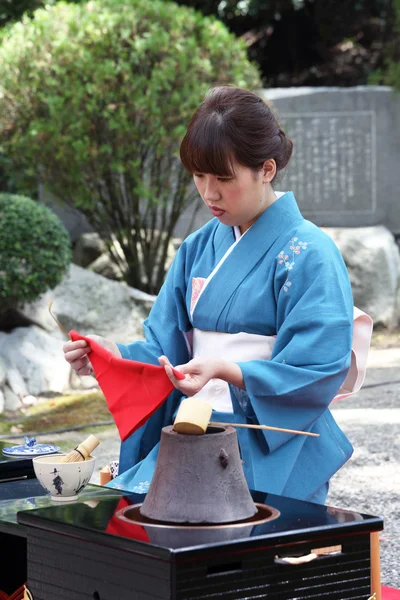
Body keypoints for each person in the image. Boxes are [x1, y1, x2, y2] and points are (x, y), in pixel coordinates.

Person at [64, 86, 358, 505]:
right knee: (131, 520)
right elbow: (165, 349)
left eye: (224, 177)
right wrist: (111, 355)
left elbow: (318, 365)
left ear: (267, 169)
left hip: (268, 437)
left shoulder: (309, 252)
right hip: (192, 426)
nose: (209, 193)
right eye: (199, 176)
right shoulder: (198, 247)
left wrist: (229, 370)